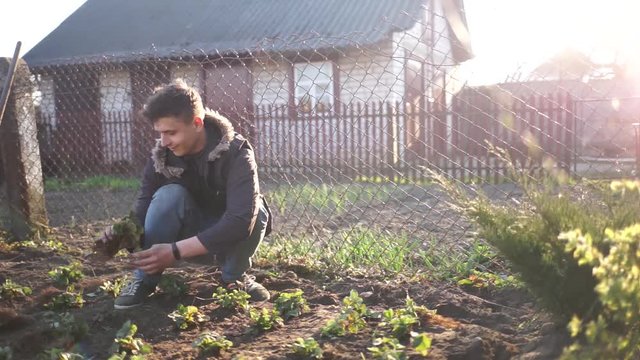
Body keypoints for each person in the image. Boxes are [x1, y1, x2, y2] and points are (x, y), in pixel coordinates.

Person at [101, 79, 272, 310]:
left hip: (227, 239)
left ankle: (234, 278)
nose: (164, 142)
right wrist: (121, 233)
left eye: (171, 133)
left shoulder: (236, 152)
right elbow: (142, 208)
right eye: (160, 133)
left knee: (256, 209)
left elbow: (240, 222)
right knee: (167, 195)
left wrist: (174, 251)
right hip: (187, 233)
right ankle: (145, 279)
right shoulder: (161, 158)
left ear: (197, 123)